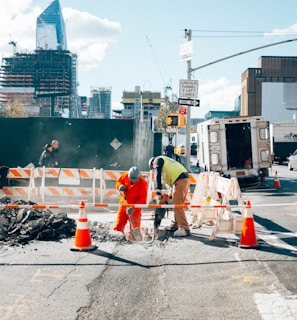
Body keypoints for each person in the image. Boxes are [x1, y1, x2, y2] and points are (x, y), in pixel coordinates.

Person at [149, 155, 191, 237]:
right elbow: (172, 184)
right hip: (182, 179)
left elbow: (157, 174)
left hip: (180, 179)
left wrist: (158, 189)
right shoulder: (165, 165)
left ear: (152, 164)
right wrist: (168, 195)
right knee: (177, 203)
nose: (154, 169)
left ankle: (185, 228)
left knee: (177, 204)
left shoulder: (157, 160)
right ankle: (175, 224)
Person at [113, 166, 148, 235]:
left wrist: (133, 208)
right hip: (124, 205)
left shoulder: (143, 183)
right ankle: (118, 238)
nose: (132, 181)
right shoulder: (125, 176)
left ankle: (134, 241)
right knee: (118, 226)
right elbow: (118, 181)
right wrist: (119, 186)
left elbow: (142, 200)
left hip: (135, 210)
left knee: (135, 229)